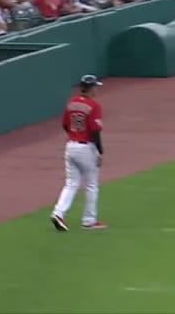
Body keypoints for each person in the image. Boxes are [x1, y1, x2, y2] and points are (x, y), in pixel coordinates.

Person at [50, 74, 107, 232]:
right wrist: (100, 151)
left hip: (71, 146)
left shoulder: (71, 103)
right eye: (95, 87)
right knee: (91, 185)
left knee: (71, 184)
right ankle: (89, 220)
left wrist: (74, 136)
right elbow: (95, 131)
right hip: (86, 147)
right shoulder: (93, 106)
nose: (97, 89)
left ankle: (58, 212)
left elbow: (65, 125)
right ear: (90, 89)